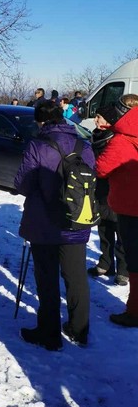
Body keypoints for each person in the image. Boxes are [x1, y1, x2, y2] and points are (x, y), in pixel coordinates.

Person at [14, 101, 94, 349]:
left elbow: (22, 184)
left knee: (47, 279)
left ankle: (49, 334)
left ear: (41, 121)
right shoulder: (85, 145)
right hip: (77, 220)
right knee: (76, 277)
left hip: (44, 223)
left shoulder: (38, 145)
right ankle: (79, 330)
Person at [95, 94, 138, 327]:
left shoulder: (122, 139)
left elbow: (101, 168)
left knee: (135, 260)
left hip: (131, 206)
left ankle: (134, 311)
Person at [89, 108, 128, 286]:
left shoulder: (116, 139)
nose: (95, 120)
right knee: (104, 229)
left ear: (109, 121)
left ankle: (123, 270)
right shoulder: (95, 137)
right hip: (100, 190)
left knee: (121, 234)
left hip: (117, 191)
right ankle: (106, 264)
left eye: (99, 117)